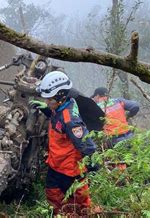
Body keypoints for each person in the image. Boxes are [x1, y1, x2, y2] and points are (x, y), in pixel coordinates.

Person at [30, 71, 97, 215]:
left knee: (78, 200)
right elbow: (57, 120)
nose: (47, 102)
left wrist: (93, 164)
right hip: (57, 163)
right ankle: (61, 214)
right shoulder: (61, 105)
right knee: (52, 193)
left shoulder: (70, 120)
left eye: (49, 100)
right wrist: (47, 110)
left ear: (60, 96)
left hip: (69, 169)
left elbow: (85, 143)